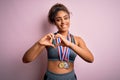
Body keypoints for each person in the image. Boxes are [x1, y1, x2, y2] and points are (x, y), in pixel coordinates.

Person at [22, 3, 94, 80]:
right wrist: (39, 43)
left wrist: (70, 44)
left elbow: (90, 59)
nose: (63, 22)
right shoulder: (49, 39)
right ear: (54, 22)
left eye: (66, 18)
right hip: (51, 78)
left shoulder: (77, 40)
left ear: (69, 19)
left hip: (70, 78)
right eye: (58, 19)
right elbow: (26, 59)